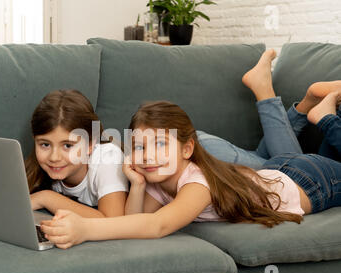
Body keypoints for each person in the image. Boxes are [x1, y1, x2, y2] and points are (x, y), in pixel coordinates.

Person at [39, 100, 341, 249]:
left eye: (160, 143)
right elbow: (129, 223)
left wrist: (85, 230)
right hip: (279, 169)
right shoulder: (157, 180)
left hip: (312, 182)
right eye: (140, 147)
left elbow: (156, 225)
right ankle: (324, 112)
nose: (149, 156)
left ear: (187, 150)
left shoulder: (198, 182)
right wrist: (138, 184)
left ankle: (326, 119)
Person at [197, 49, 341, 168]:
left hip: (195, 145)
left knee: (291, 170)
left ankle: (294, 101)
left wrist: (327, 120)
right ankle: (266, 90)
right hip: (191, 148)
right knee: (296, 175)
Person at [26, 89, 128, 218]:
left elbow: (113, 220)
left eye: (68, 145)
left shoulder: (108, 158)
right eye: (45, 144)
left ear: (90, 145)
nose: (54, 157)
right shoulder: (39, 167)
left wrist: (46, 198)